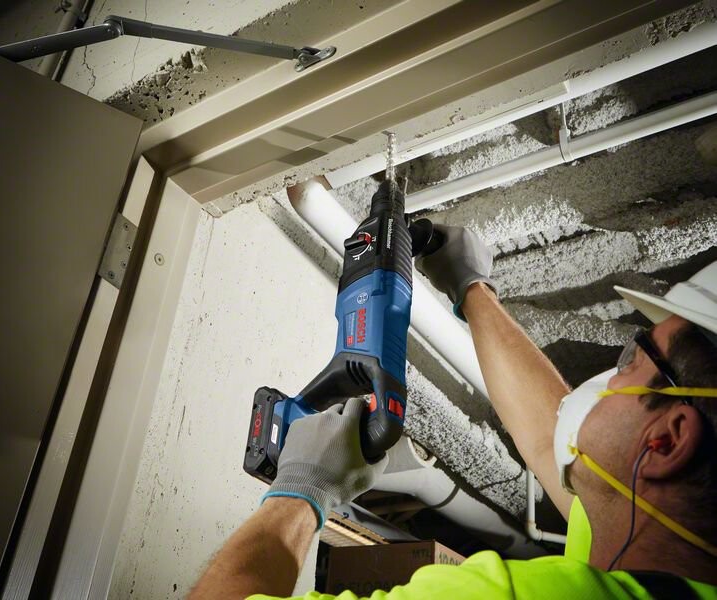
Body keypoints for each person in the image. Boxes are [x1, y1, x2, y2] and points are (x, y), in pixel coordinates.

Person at [189, 225, 717, 600]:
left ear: (668, 440)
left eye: (633, 358)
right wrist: (472, 289)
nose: (610, 374)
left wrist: (302, 489)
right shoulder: (647, 536)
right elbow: (546, 435)